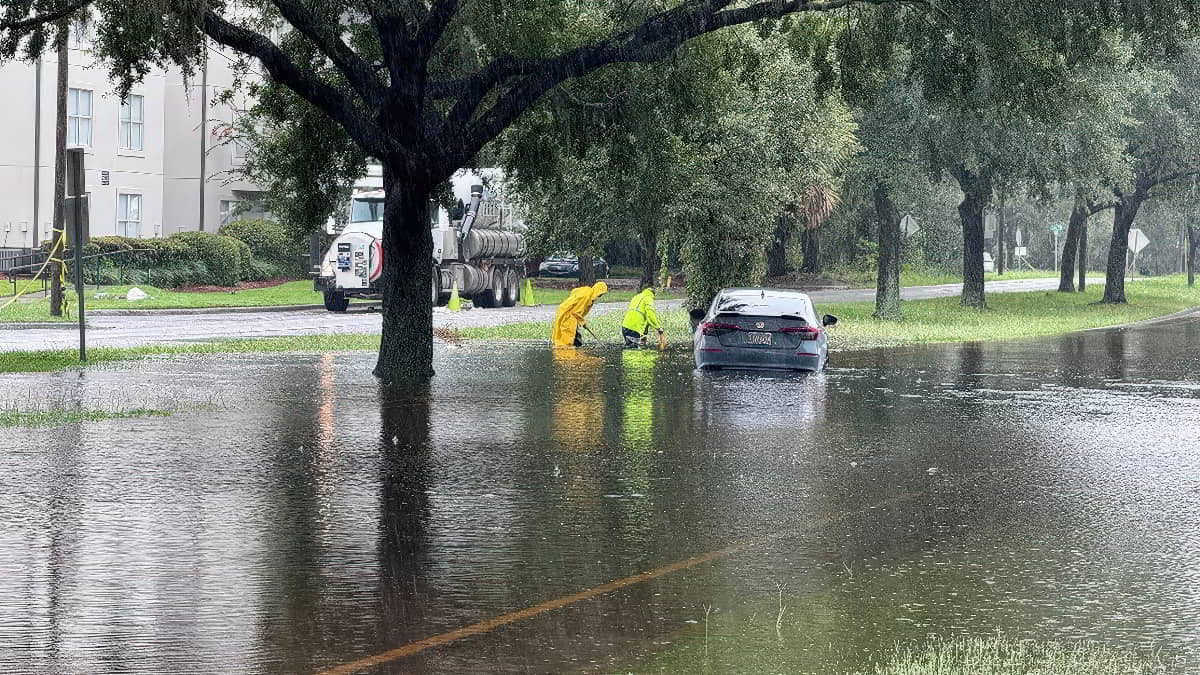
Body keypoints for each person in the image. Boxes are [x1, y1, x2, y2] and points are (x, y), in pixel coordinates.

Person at [551, 281, 608, 347]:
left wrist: (581, 321)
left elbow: (574, 292)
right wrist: (583, 322)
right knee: (565, 339)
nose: (600, 296)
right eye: (600, 294)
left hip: (570, 316)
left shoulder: (588, 293)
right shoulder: (586, 296)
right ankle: (564, 355)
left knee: (574, 338)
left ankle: (575, 349)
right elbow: (575, 312)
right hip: (567, 316)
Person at [621, 282, 664, 348]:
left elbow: (643, 317)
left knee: (629, 347)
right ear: (653, 293)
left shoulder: (636, 297)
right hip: (634, 329)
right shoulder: (648, 298)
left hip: (625, 326)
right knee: (633, 353)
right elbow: (650, 315)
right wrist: (658, 328)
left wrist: (643, 333)